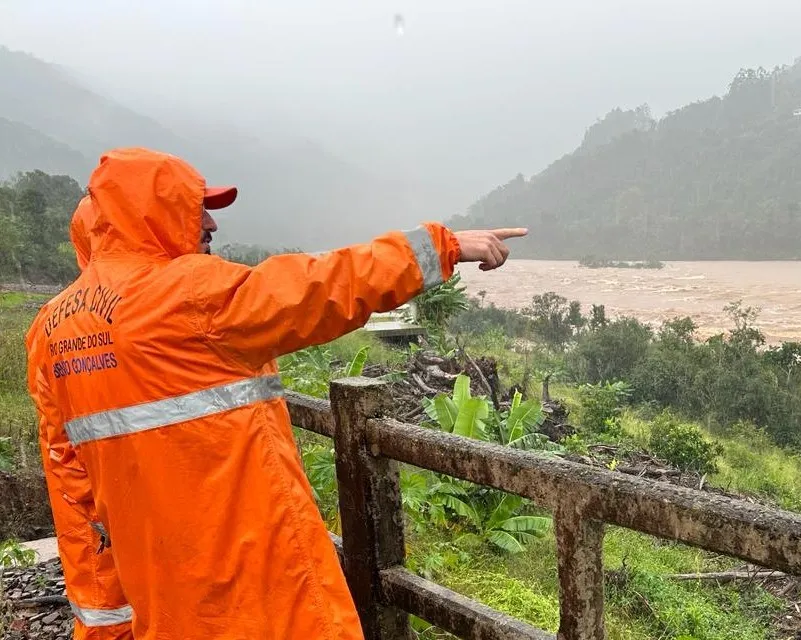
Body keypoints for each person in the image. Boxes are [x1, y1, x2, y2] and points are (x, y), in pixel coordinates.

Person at [24, 146, 527, 639]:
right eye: (196, 208)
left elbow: (73, 497)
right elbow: (318, 284)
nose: (211, 225)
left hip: (165, 603)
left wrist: (104, 625)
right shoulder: (190, 295)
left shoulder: (51, 331)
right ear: (155, 212)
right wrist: (441, 246)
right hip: (262, 587)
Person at [27, 195, 133, 639]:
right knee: (111, 611)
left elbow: (56, 435)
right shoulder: (148, 308)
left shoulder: (48, 320)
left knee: (101, 609)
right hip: (117, 501)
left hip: (84, 502)